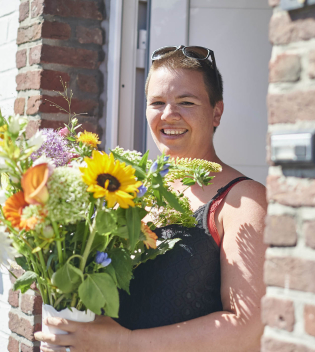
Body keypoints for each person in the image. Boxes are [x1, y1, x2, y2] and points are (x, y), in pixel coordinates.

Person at [36, 45, 267, 352]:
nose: (169, 115)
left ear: (216, 112)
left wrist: (122, 342)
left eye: (186, 102)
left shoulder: (244, 201)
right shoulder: (125, 188)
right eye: (157, 102)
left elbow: (248, 331)